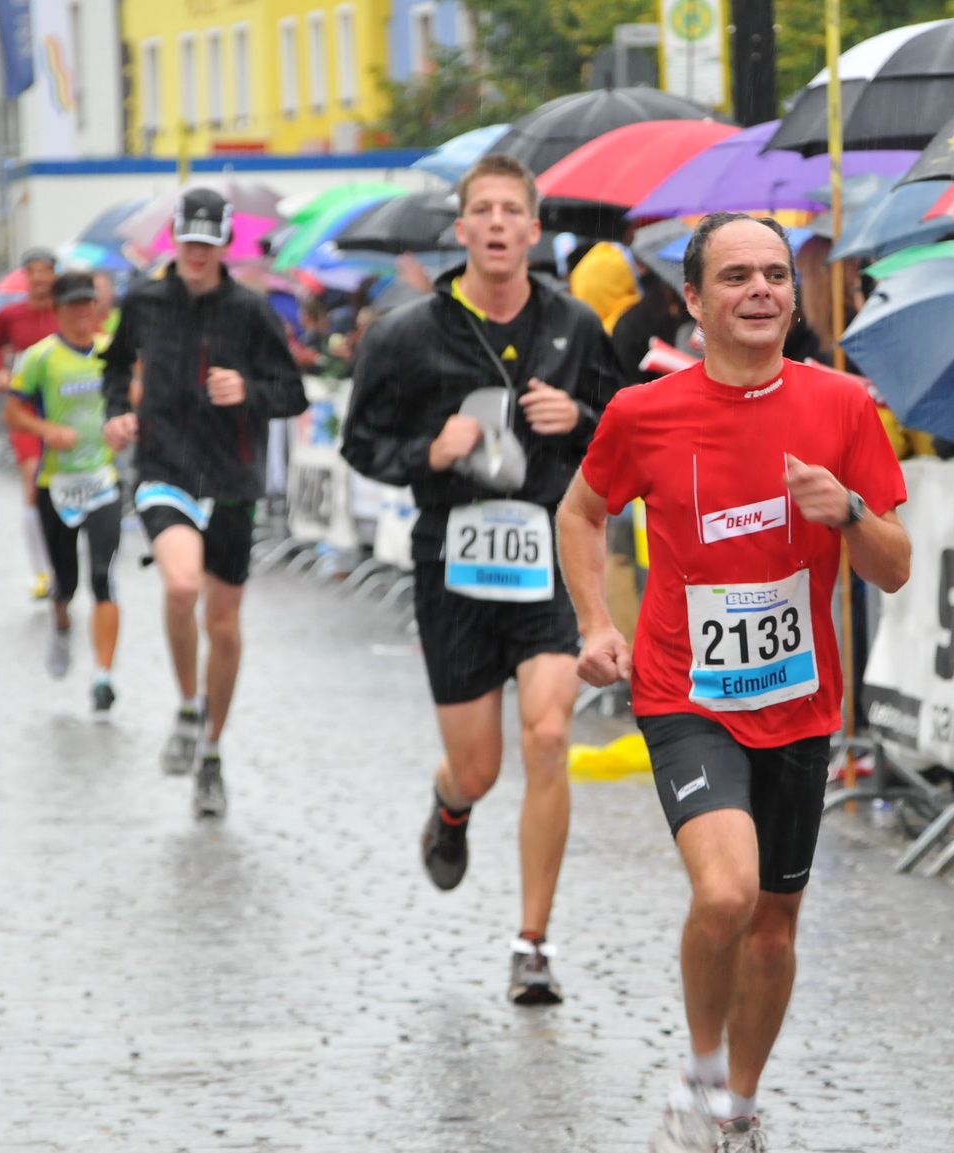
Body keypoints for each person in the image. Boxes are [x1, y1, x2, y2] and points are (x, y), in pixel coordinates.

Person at [555, 212, 911, 1152]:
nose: (759, 290)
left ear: (795, 297)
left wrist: (850, 512)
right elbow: (580, 512)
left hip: (798, 700)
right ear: (694, 301)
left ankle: (738, 1106)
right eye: (735, 276)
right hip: (685, 695)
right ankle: (700, 1070)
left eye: (774, 274)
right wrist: (596, 622)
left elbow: (895, 566)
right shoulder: (643, 412)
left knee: (773, 926)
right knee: (726, 894)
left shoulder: (841, 405)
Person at [340, 154, 622, 1006]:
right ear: (459, 230)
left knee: (547, 738)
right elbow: (361, 443)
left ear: (535, 231)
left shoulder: (574, 325)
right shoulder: (403, 334)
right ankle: (449, 804)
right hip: (453, 566)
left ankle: (531, 941)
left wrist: (579, 418)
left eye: (513, 211)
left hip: (548, 561)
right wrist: (429, 452)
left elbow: (625, 433)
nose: (498, 224)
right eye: (482, 211)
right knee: (480, 766)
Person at [102, 188, 306, 817]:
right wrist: (116, 414)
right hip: (164, 468)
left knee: (223, 625)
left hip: (232, 479)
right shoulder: (144, 301)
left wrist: (247, 389)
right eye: (187, 241)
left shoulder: (250, 310)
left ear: (224, 246)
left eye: (207, 244)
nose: (196, 253)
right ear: (174, 241)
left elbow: (292, 393)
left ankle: (211, 751)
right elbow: (113, 367)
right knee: (182, 587)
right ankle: (188, 706)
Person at [2, 272, 123, 711]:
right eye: (72, 305)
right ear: (57, 310)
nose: (82, 313)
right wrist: (47, 429)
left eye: (88, 303)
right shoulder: (39, 358)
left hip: (103, 479)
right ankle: (61, 622)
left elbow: (137, 393)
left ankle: (103, 677)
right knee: (67, 582)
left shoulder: (113, 351)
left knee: (103, 576)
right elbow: (12, 414)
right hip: (57, 483)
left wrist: (127, 421)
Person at [0, 248, 62, 598]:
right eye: (34, 272)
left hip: (65, 410)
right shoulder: (11, 314)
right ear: (25, 277)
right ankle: (43, 571)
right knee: (33, 483)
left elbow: (99, 340)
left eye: (46, 271)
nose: (40, 278)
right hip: (26, 410)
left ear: (55, 275)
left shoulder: (70, 310)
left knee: (65, 488)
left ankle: (68, 560)